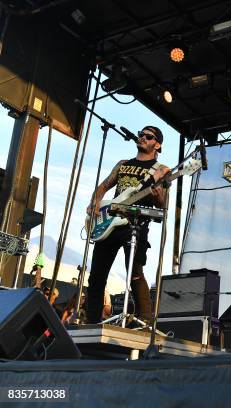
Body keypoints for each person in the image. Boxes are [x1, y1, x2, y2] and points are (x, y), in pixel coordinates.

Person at [85, 125, 170, 324]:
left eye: (148, 136)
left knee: (135, 272)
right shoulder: (122, 164)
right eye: (141, 134)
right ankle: (91, 322)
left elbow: (162, 203)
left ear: (157, 145)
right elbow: (104, 186)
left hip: (135, 225)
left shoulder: (161, 170)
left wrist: (158, 197)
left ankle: (146, 320)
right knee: (96, 276)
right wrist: (95, 201)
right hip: (110, 223)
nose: (142, 138)